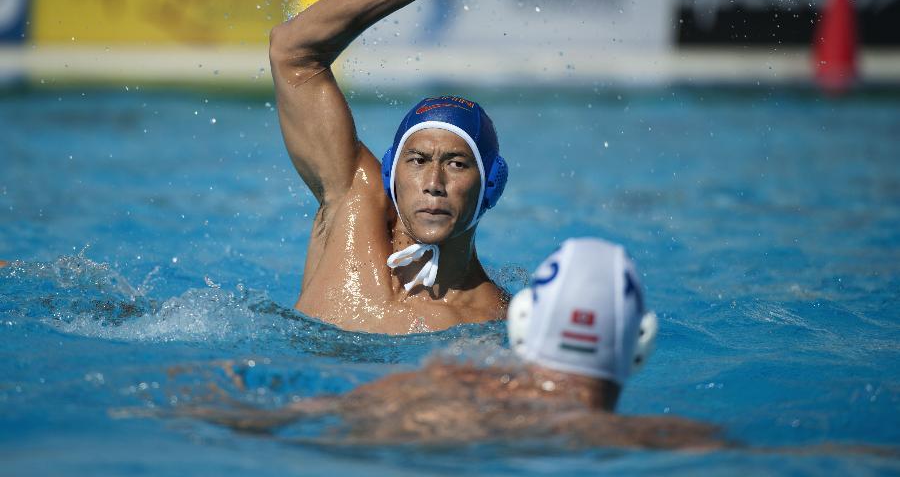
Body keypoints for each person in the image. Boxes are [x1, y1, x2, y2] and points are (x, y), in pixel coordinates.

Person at [143, 239, 732, 450]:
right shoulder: (671, 441)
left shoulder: (444, 386)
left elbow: (277, 421)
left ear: (522, 322)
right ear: (640, 347)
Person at [269, 0, 513, 334]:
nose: (434, 181)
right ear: (390, 172)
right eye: (417, 161)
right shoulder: (353, 201)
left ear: (491, 184)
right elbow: (292, 49)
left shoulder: (495, 322)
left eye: (456, 163)